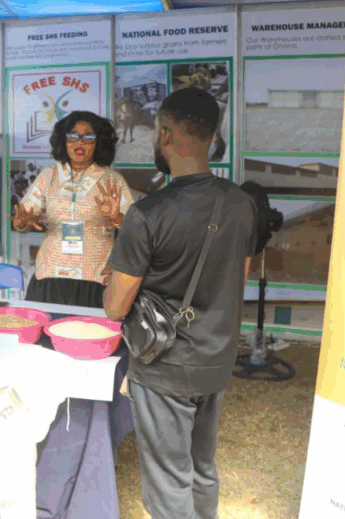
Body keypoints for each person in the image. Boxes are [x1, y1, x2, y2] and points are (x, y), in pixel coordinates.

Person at [103, 87, 258, 519]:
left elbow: (115, 307)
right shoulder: (243, 204)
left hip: (165, 366)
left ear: (165, 134)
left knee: (169, 478)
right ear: (213, 135)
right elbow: (236, 280)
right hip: (217, 358)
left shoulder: (148, 214)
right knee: (202, 467)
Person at [10, 111, 135, 308]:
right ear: (63, 140)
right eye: (73, 136)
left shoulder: (113, 181)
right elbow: (25, 219)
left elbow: (135, 232)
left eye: (88, 137)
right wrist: (22, 223)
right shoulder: (48, 176)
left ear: (98, 142)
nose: (80, 143)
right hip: (50, 276)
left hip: (95, 277)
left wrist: (117, 219)